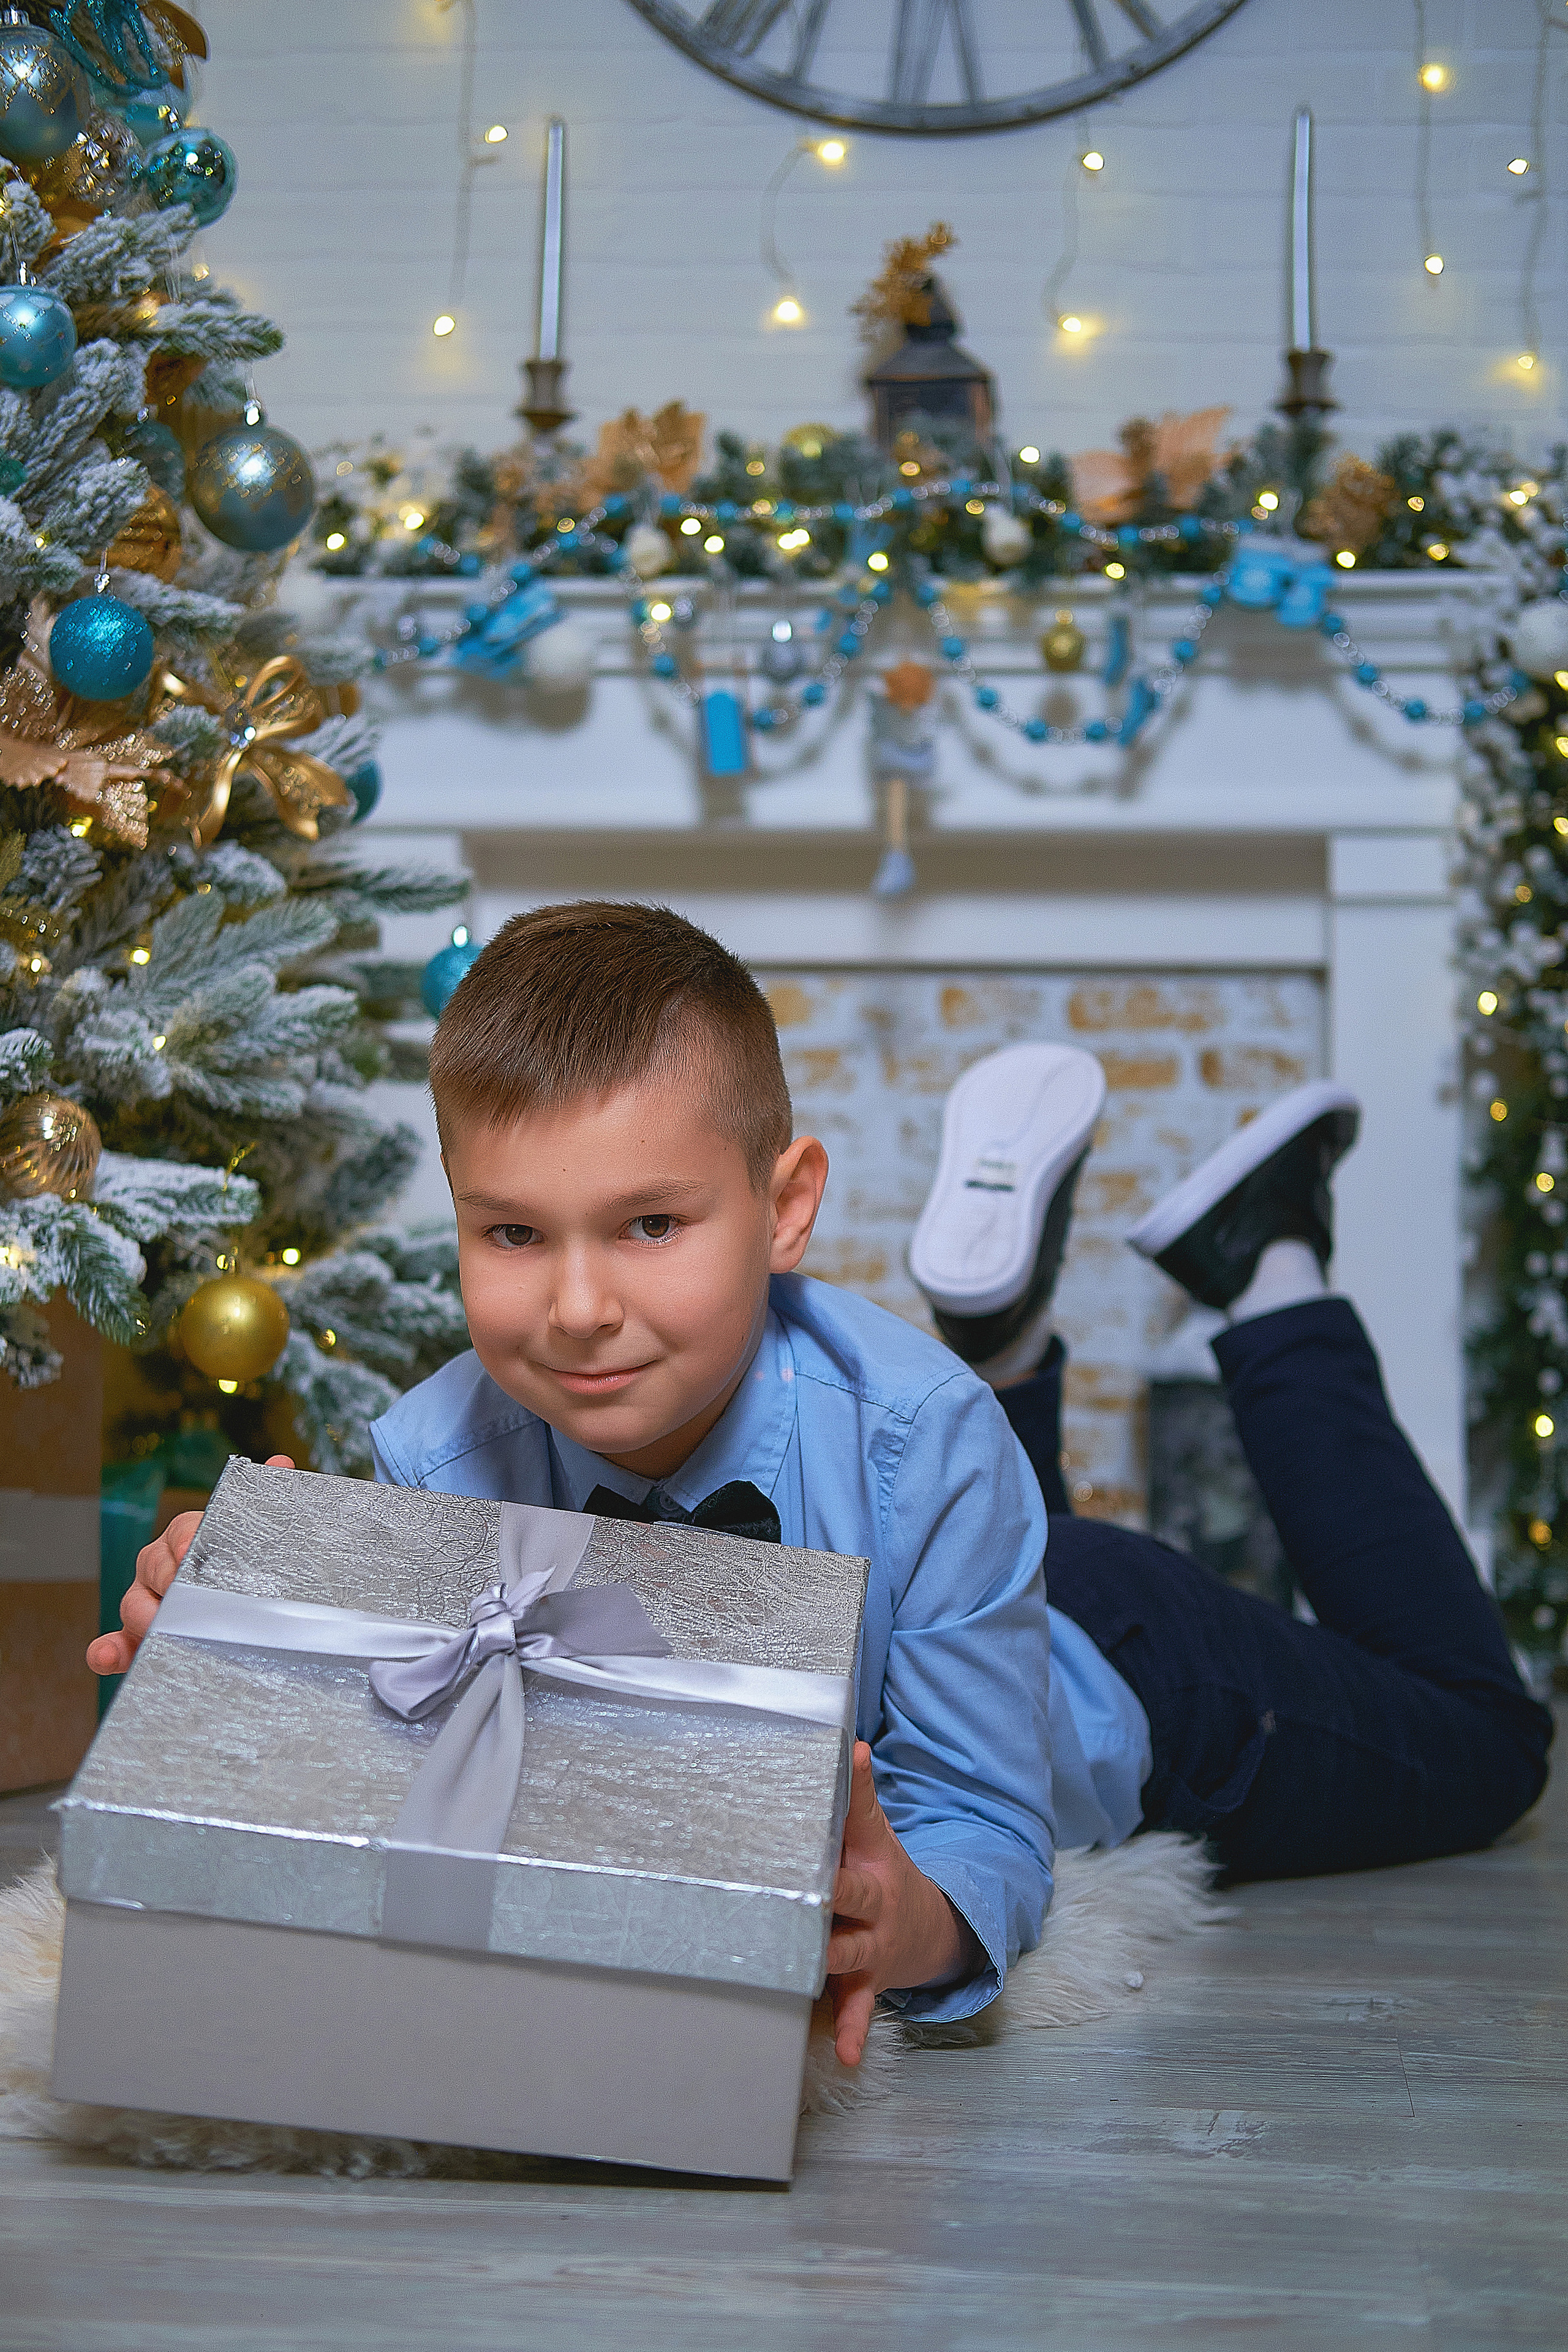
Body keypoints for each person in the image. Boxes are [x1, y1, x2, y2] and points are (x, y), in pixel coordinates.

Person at [89, 905, 1551, 2064]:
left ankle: (1266, 1266)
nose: (577, 1306)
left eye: (650, 1224)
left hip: (1126, 1674)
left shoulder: (925, 1438)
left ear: (785, 1208)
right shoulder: (433, 1452)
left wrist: (899, 1923)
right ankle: (1006, 1325)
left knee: (1485, 1747)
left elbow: (983, 1817)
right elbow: (439, 1760)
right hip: (942, 1523)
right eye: (514, 1235)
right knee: (937, 1451)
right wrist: (243, 1645)